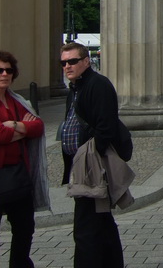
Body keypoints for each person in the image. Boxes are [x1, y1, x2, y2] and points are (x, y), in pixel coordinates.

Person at [60, 42, 125, 268]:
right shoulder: (76, 87)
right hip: (80, 164)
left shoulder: (97, 84)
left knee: (85, 228)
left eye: (72, 61)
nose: (67, 66)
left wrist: (90, 158)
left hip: (90, 166)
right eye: (64, 63)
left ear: (86, 61)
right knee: (101, 221)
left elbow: (106, 127)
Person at [0, 51, 49, 268]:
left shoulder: (18, 101)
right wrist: (22, 128)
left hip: (18, 176)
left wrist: (15, 126)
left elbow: (39, 125)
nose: (4, 74)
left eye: (9, 70)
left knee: (24, 231)